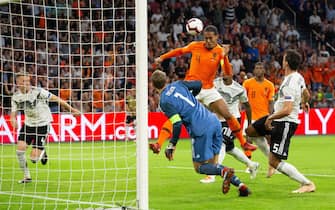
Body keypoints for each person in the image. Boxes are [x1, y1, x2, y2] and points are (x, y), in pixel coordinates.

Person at [154, 25, 257, 153]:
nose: (208, 41)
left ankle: (243, 143)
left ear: (217, 37)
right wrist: (162, 57)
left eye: (210, 38)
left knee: (227, 114)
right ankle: (158, 144)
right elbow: (179, 51)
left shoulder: (220, 52)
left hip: (209, 88)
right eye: (206, 38)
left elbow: (227, 74)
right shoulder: (195, 45)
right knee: (177, 116)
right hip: (191, 87)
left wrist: (224, 56)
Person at [151, 69, 251, 196]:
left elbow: (177, 124)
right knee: (214, 165)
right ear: (166, 80)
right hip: (214, 120)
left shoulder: (164, 102)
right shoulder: (178, 84)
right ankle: (241, 186)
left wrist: (172, 145)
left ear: (153, 85)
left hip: (200, 129)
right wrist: (193, 97)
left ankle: (225, 172)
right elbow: (198, 84)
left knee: (200, 167)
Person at [245, 50, 316, 193]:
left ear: (286, 62)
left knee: (274, 161)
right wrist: (304, 102)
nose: (282, 61)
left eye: (283, 59)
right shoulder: (298, 77)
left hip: (285, 121)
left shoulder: (290, 82)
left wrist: (270, 118)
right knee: (250, 131)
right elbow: (306, 93)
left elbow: (288, 109)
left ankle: (307, 184)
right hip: (277, 117)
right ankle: (271, 149)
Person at [10, 72, 81, 184]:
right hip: (28, 125)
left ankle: (43, 151)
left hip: (43, 124)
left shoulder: (38, 92)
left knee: (34, 159)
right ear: (18, 83)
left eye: (28, 81)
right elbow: (13, 115)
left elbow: (57, 99)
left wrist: (72, 110)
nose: (27, 83)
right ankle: (27, 176)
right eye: (24, 81)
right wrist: (13, 121)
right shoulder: (16, 97)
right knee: (19, 151)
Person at [200, 74, 260, 184]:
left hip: (232, 120)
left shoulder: (239, 89)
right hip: (217, 120)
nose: (224, 73)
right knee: (230, 148)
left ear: (231, 73)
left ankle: (212, 174)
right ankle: (252, 164)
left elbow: (247, 105)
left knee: (221, 144)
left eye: (226, 71)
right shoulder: (215, 83)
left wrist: (249, 124)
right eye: (222, 70)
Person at [242, 62, 275, 177]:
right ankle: (249, 164)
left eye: (261, 68)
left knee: (268, 142)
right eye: (257, 68)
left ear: (264, 70)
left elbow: (271, 102)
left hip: (264, 117)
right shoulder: (247, 83)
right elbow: (242, 99)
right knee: (247, 141)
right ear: (254, 70)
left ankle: (273, 164)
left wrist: (270, 117)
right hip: (250, 118)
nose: (259, 70)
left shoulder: (269, 85)